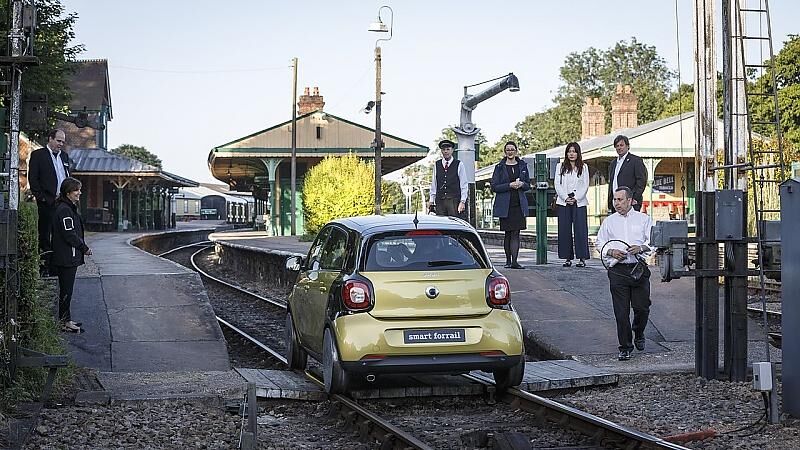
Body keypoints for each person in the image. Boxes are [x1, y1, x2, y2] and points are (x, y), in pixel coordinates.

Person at [595, 186, 654, 361]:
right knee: (621, 312)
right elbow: (600, 243)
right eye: (615, 200)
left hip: (639, 268)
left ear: (630, 200)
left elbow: (654, 240)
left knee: (642, 308)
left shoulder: (644, 219)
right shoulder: (609, 221)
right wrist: (611, 251)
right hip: (617, 270)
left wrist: (642, 247)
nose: (616, 203)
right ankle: (625, 347)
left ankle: (639, 331)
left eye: (620, 200)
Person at [51, 177, 92, 333]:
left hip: (68, 255)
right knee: (66, 290)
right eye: (76, 190)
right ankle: (64, 322)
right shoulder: (65, 210)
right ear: (68, 192)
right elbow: (70, 234)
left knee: (67, 290)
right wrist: (84, 248)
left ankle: (66, 319)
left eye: (79, 190)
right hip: (66, 256)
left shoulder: (66, 208)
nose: (79, 193)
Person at [28, 129, 70, 274]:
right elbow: (33, 179)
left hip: (63, 203)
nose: (61, 144)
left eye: (63, 142)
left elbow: (67, 177)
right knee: (45, 235)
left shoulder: (64, 156)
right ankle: (44, 268)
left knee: (61, 235)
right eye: (58, 141)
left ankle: (57, 267)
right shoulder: (38, 155)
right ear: (50, 139)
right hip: (47, 202)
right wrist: (42, 198)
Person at [491, 141, 530, 269]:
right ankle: (508, 260)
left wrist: (521, 185)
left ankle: (515, 261)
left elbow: (528, 184)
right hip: (505, 205)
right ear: (505, 151)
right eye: (508, 149)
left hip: (518, 203)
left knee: (516, 233)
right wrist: (509, 185)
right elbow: (494, 186)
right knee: (508, 233)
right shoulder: (499, 167)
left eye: (512, 149)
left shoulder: (522, 165)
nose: (510, 151)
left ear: (516, 151)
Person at [555, 142, 590, 268]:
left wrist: (576, 198)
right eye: (569, 151)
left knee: (580, 229)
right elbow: (557, 184)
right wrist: (565, 198)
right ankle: (567, 258)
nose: (572, 154)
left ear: (578, 153)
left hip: (579, 202)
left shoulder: (584, 167)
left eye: (574, 151)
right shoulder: (560, 166)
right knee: (564, 230)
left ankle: (582, 258)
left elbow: (585, 184)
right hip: (564, 202)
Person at [607, 135, 646, 214]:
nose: (619, 148)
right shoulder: (613, 163)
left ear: (627, 146)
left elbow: (641, 181)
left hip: (630, 202)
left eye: (621, 145)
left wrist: (634, 198)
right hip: (616, 203)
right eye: (617, 146)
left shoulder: (635, 161)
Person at [429, 139, 468, 218]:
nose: (446, 151)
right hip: (440, 201)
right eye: (443, 150)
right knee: (440, 224)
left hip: (454, 200)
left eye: (448, 149)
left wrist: (462, 201)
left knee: (454, 224)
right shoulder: (437, 164)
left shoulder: (459, 164)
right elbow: (434, 184)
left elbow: (463, 184)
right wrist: (431, 200)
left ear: (452, 150)